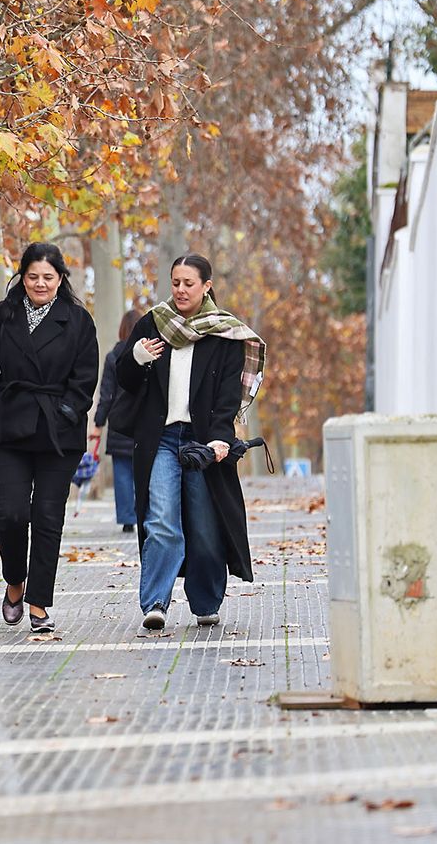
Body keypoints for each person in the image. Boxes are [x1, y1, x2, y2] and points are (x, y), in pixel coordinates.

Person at [115, 253, 266, 631]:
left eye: (189, 283)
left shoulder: (225, 332)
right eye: (176, 283)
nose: (181, 290)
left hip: (202, 442)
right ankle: (155, 603)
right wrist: (136, 357)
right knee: (162, 521)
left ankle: (205, 602)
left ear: (207, 286)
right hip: (160, 439)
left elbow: (228, 395)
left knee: (204, 524)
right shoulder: (153, 323)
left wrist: (220, 438)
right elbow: (124, 379)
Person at [0, 242, 99, 633]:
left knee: (46, 516)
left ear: (61, 279)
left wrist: (69, 411)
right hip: (11, 429)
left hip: (58, 433)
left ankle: (39, 602)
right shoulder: (4, 316)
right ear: (22, 277)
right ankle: (14, 581)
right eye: (33, 276)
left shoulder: (77, 320)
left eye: (48, 277)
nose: (40, 283)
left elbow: (85, 377)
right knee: (11, 513)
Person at [88, 309, 143, 533]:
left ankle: (127, 519)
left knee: (122, 473)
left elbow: (107, 395)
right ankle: (146, 514)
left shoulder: (113, 356)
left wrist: (98, 425)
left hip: (120, 424)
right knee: (144, 472)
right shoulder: (149, 353)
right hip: (144, 422)